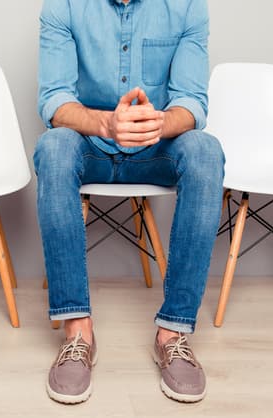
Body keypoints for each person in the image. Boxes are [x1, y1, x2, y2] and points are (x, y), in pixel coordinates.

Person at [34, 0, 224, 404]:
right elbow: (54, 100)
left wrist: (156, 124)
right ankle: (77, 332)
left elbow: (192, 101)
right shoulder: (64, 5)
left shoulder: (188, 6)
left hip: (156, 150)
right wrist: (106, 123)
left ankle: (173, 332)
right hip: (90, 147)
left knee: (206, 151)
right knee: (52, 148)